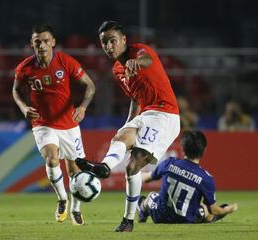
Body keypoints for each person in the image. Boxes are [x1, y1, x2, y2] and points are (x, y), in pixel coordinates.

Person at [76, 20, 180, 232]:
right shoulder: (117, 69)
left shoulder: (139, 50)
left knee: (133, 165)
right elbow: (135, 98)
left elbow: (148, 60)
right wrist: (128, 124)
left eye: (113, 41)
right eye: (104, 43)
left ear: (124, 40)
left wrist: (137, 62)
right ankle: (104, 168)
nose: (109, 46)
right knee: (120, 138)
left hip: (165, 114)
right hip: (146, 113)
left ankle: (128, 220)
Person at [12, 23, 96, 225]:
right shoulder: (25, 67)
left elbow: (90, 86)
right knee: (51, 159)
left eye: (45, 41)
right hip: (43, 124)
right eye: (37, 42)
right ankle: (62, 199)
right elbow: (15, 91)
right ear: (32, 44)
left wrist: (83, 107)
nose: (41, 45)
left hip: (69, 124)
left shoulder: (65, 61)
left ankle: (76, 209)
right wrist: (24, 108)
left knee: (75, 171)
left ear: (53, 42)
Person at [138, 130, 238, 224]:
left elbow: (146, 179)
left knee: (152, 195)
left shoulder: (169, 163)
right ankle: (211, 218)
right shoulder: (206, 178)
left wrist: (134, 173)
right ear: (204, 150)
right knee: (204, 209)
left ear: (183, 148)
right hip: (184, 219)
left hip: (160, 216)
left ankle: (142, 209)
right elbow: (213, 209)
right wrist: (227, 209)